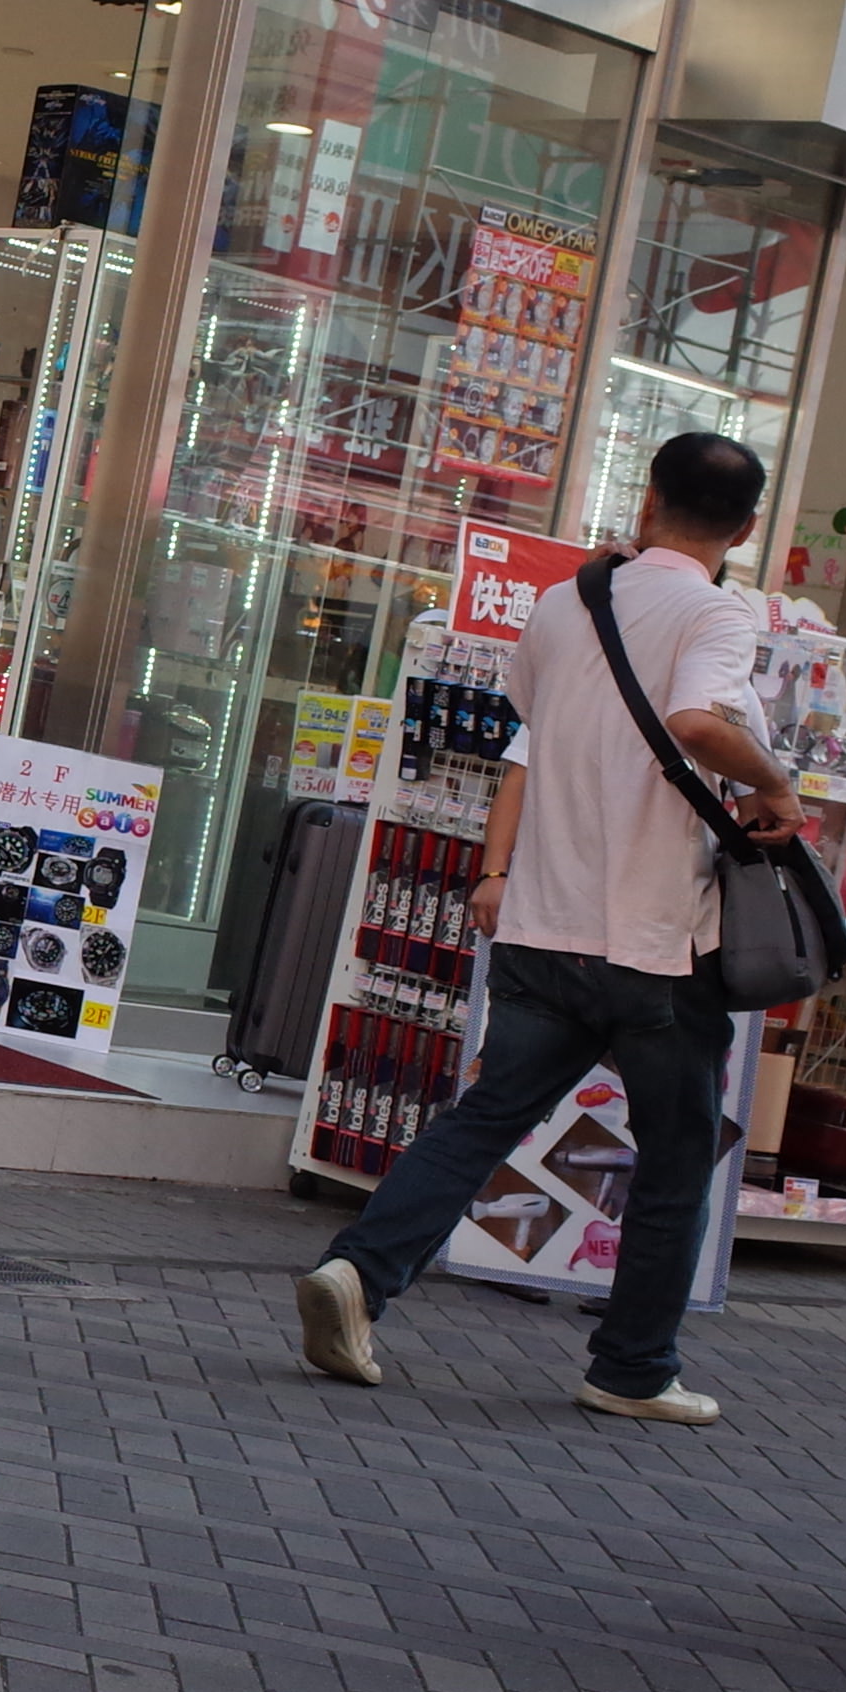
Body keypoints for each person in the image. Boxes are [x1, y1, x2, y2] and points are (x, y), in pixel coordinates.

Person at [287, 430, 795, 1424]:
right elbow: (696, 722)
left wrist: (496, 870)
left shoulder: (566, 603)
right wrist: (775, 786)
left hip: (543, 923)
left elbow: (531, 739)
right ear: (744, 531)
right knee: (674, 1159)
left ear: (646, 502)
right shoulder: (716, 614)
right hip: (654, 942)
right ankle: (631, 1367)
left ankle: (358, 1271)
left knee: (482, 1121)